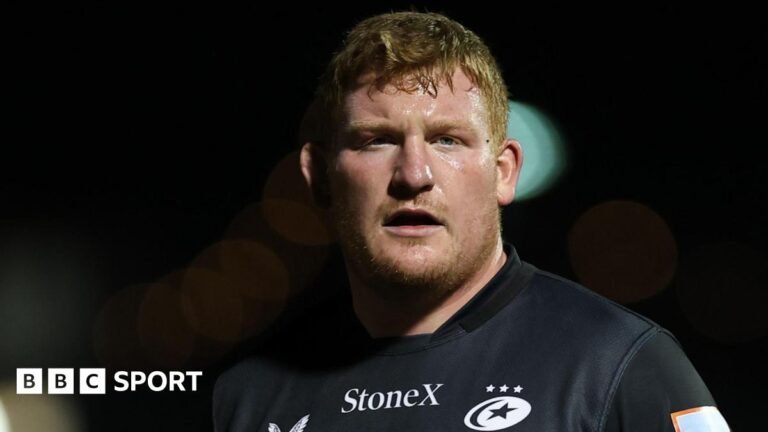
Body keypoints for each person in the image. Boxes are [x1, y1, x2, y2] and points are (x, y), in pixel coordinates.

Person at [213, 11, 729, 432]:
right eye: (377, 140)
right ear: (321, 178)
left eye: (447, 140)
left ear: (503, 172)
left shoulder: (622, 366)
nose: (414, 174)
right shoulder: (246, 397)